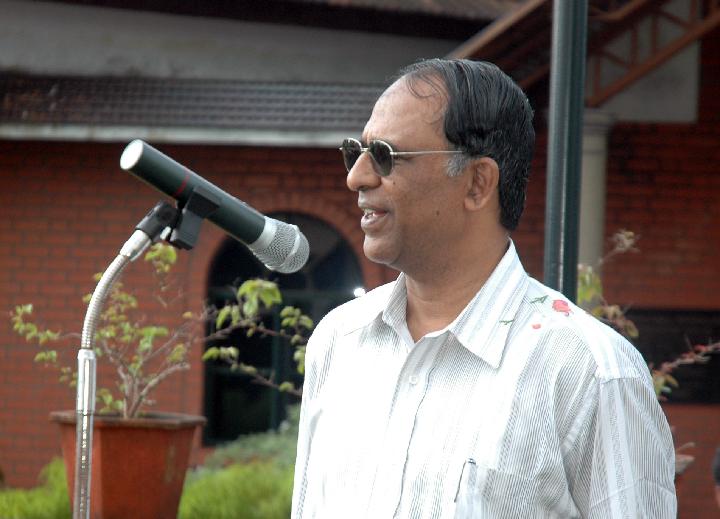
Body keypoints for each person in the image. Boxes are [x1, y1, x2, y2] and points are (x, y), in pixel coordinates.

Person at [291, 59, 676, 518]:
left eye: (386, 155)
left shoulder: (588, 372)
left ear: (478, 183)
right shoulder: (339, 340)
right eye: (354, 151)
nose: (356, 177)